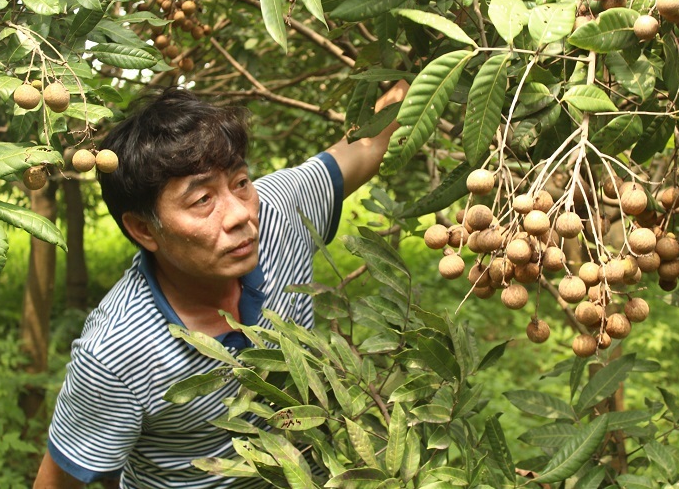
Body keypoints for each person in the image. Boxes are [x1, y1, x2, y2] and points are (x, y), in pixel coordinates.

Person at [33, 83, 407, 488]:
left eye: (241, 182)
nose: (239, 215)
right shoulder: (116, 352)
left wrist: (442, 61)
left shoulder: (279, 213)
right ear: (144, 229)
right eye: (202, 200)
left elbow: (366, 145)